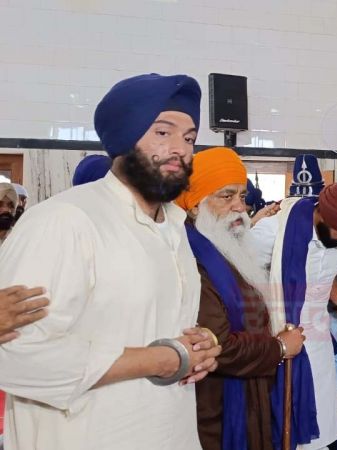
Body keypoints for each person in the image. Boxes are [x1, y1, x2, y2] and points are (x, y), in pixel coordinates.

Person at [0, 73, 221, 450]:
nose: (180, 150)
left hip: (170, 433)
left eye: (189, 138)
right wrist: (160, 360)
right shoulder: (64, 221)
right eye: (162, 133)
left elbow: (149, 324)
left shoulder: (174, 225)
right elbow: (15, 356)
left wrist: (197, 346)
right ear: (123, 136)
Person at [176, 147, 306, 450]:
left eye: (242, 196)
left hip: (247, 394)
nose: (239, 207)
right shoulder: (192, 261)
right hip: (215, 408)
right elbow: (215, 345)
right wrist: (280, 346)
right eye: (226, 196)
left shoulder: (226, 248)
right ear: (195, 205)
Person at [251, 182, 337, 450]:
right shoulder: (274, 232)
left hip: (319, 348)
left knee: (320, 435)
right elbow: (240, 279)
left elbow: (323, 273)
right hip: (277, 344)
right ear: (323, 217)